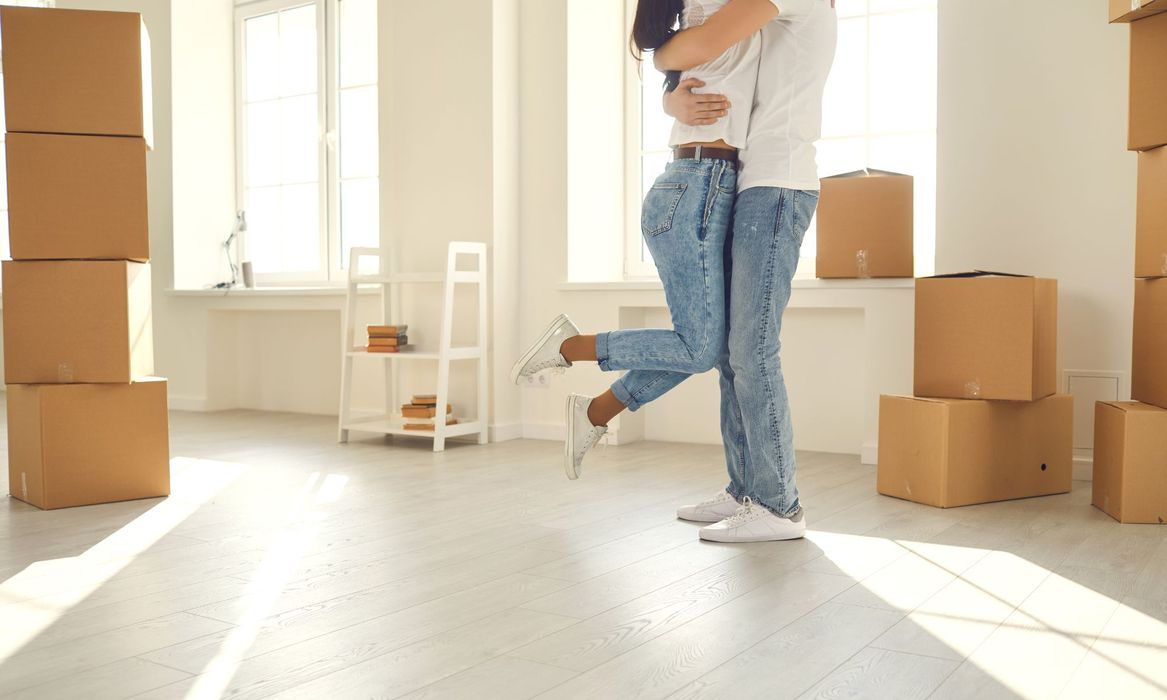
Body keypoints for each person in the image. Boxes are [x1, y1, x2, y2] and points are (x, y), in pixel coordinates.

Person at [510, 0, 765, 484]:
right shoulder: (721, 12)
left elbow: (682, 55)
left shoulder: (712, 19)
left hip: (704, 185)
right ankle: (571, 347)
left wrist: (667, 85)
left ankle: (594, 412)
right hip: (697, 185)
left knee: (704, 345)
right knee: (699, 348)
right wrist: (667, 82)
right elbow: (695, 48)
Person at [657, 0, 837, 542]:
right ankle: (745, 490)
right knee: (735, 353)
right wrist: (673, 100)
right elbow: (715, 59)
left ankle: (780, 507)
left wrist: (657, 53)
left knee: (752, 350)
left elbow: (702, 42)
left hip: (778, 183)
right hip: (757, 177)